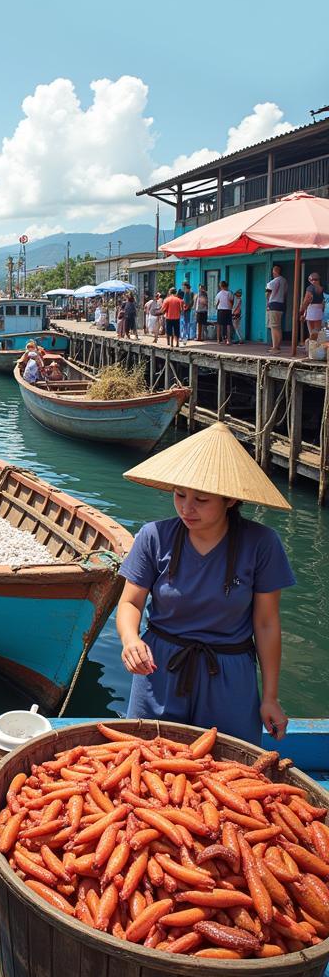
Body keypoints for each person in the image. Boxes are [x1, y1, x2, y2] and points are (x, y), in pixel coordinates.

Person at [116, 421, 293, 746]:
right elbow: (130, 603)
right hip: (159, 669)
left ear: (229, 500)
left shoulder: (262, 544)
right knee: (144, 762)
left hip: (229, 675)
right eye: (180, 495)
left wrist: (270, 696)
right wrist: (130, 640)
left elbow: (266, 623)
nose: (187, 507)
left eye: (201, 499)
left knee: (228, 770)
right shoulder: (153, 536)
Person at [265, 263, 288, 354]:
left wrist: (268, 303)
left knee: (273, 326)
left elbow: (267, 294)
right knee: (278, 326)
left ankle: (275, 347)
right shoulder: (284, 281)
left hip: (273, 304)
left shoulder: (271, 282)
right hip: (281, 304)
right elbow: (285, 294)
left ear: (274, 271)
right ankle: (277, 345)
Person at [298, 273, 325, 342]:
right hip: (319, 309)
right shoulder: (322, 288)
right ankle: (317, 346)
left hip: (311, 309)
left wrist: (302, 310)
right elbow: (323, 301)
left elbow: (307, 299)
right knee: (317, 330)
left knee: (311, 331)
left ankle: (312, 347)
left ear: (311, 279)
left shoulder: (310, 288)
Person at [214, 280, 235, 345]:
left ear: (220, 286)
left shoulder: (218, 294)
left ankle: (218, 340)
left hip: (220, 310)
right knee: (228, 325)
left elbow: (216, 303)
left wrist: (216, 307)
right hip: (228, 310)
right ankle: (228, 340)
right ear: (226, 286)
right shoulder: (229, 293)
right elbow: (232, 301)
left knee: (219, 325)